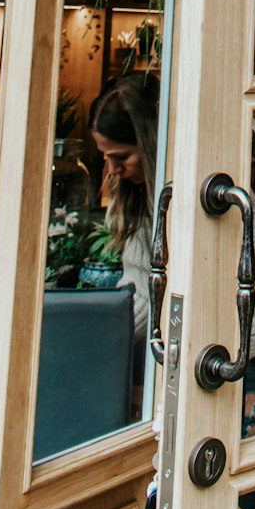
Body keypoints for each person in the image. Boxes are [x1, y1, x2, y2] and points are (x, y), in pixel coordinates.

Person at [88, 74, 159, 345]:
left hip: (254, 355)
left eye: (121, 157)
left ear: (150, 143)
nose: (113, 170)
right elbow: (140, 284)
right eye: (106, 158)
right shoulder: (141, 192)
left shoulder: (236, 169)